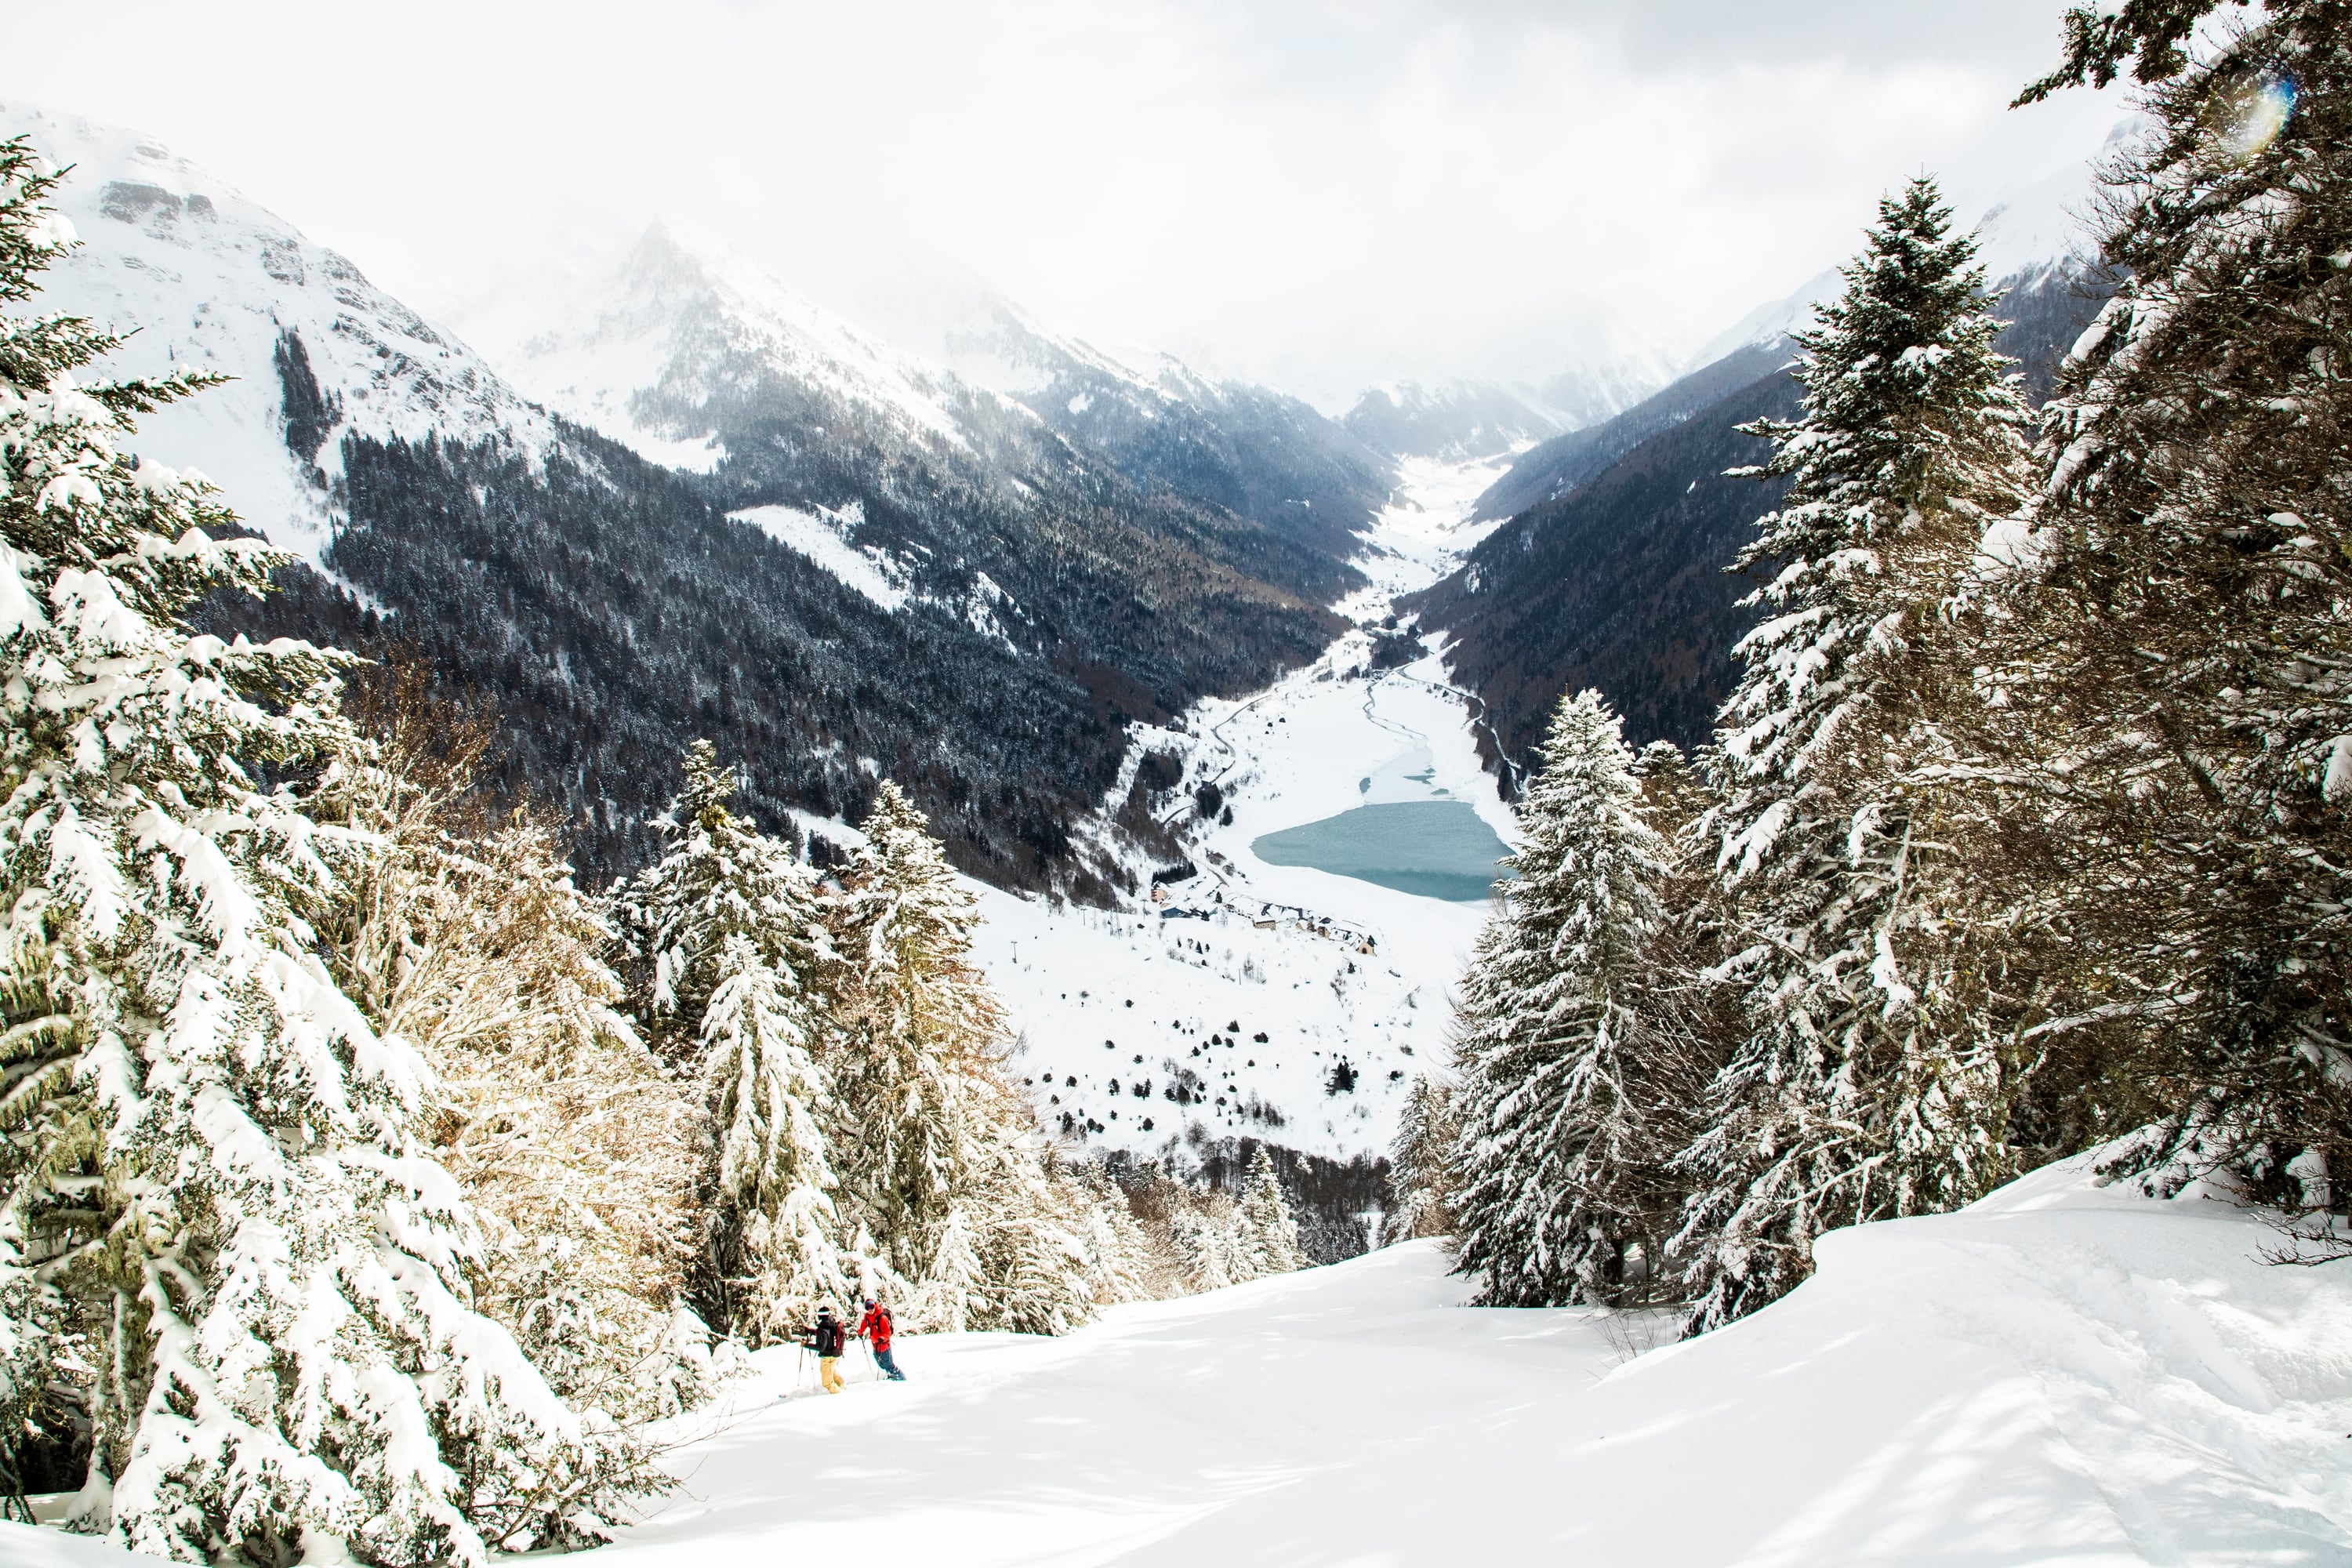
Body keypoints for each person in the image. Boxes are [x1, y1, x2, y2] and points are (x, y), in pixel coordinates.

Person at [855, 1296, 905, 1381]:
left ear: (875, 1306)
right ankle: (890, 1376)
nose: (870, 1309)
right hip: (875, 1344)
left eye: (872, 1307)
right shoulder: (868, 1317)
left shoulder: (882, 1318)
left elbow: (887, 1332)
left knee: (888, 1364)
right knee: (881, 1363)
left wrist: (883, 1338)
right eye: (868, 1308)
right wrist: (860, 1332)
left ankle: (900, 1378)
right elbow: (864, 1324)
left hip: (884, 1345)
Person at [804, 1305, 848, 1393]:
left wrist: (806, 1345)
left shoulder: (823, 1328)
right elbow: (827, 1336)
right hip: (834, 1354)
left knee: (827, 1383)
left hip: (827, 1357)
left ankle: (839, 1394)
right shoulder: (831, 1324)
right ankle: (844, 1388)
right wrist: (811, 1331)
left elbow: (821, 1346)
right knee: (834, 1375)